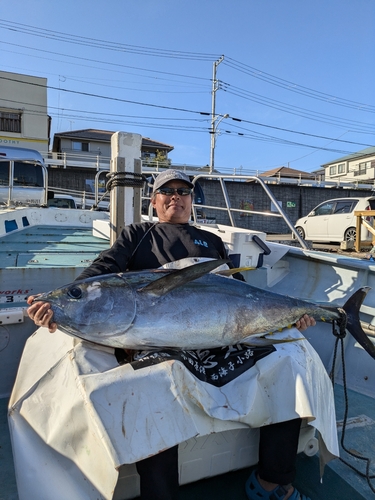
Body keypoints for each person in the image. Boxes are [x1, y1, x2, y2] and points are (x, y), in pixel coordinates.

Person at [27, 169, 315, 500]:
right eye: (167, 191)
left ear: (192, 201)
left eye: (183, 191)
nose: (175, 196)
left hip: (215, 338)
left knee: (290, 361)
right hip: (160, 342)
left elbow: (240, 293)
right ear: (155, 201)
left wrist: (288, 317)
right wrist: (61, 304)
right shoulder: (138, 234)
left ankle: (272, 482)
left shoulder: (213, 240)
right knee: (148, 390)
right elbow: (100, 273)